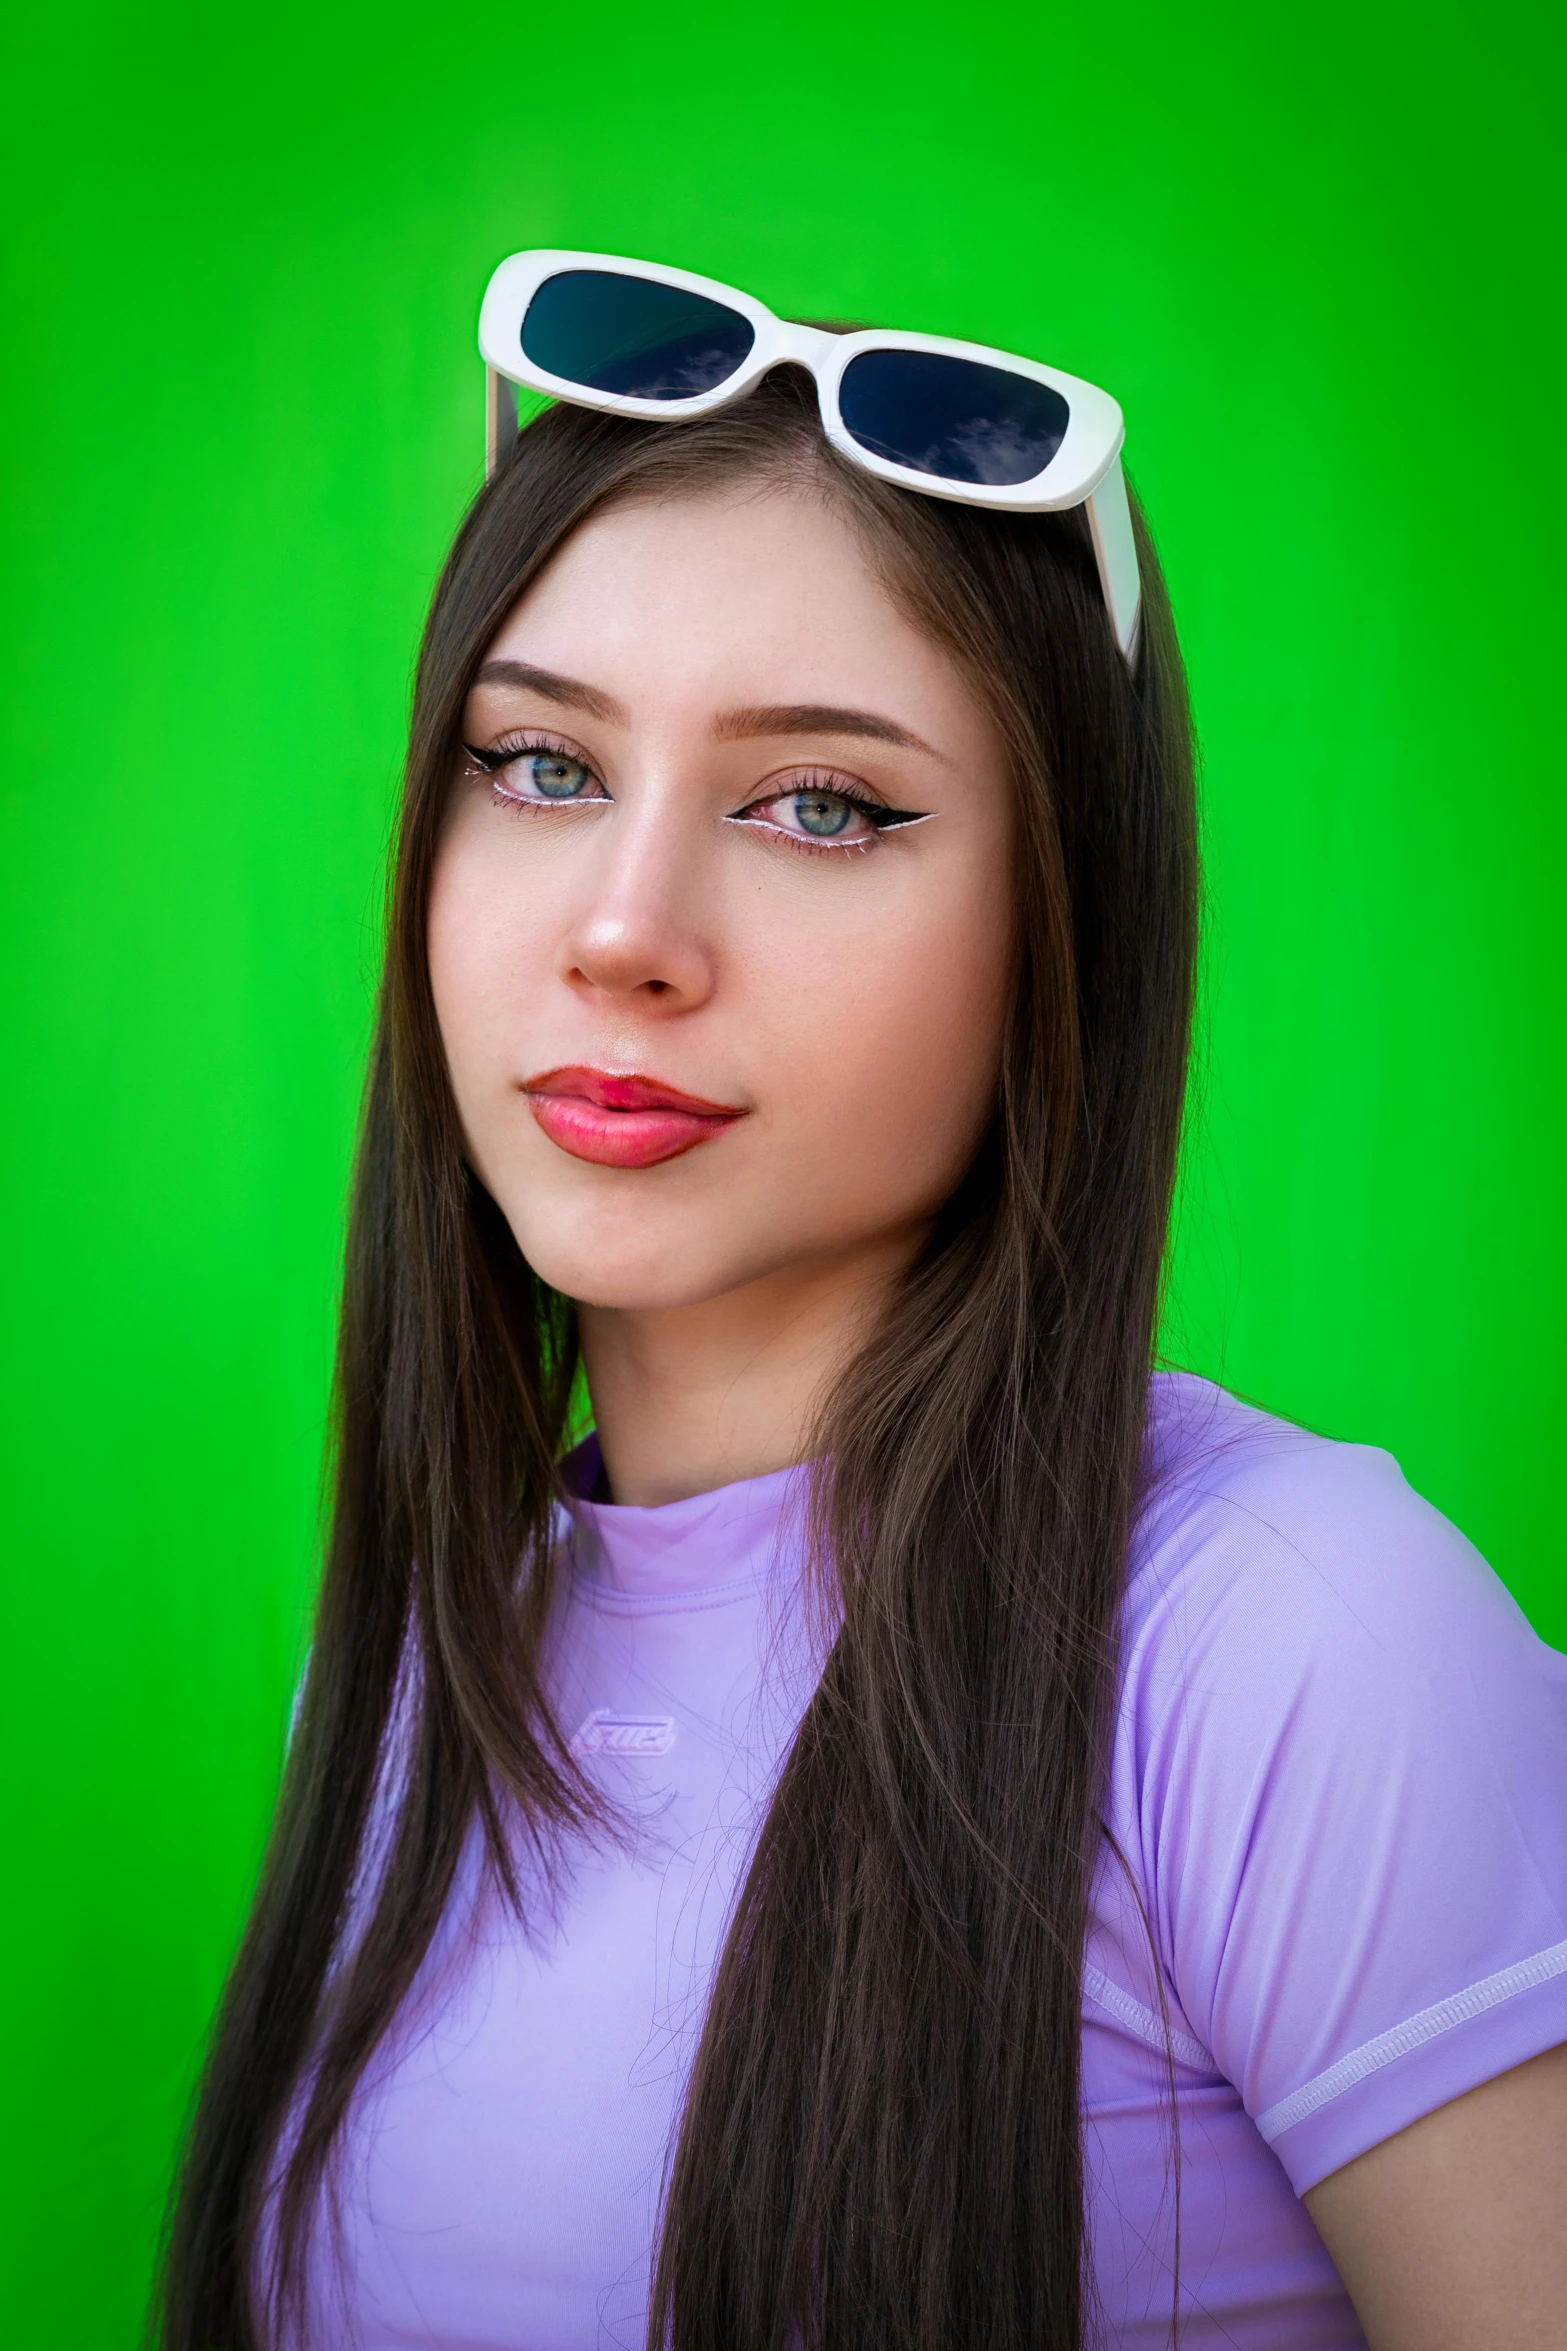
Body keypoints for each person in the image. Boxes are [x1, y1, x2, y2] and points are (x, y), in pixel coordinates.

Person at [160, 257, 1567, 2351]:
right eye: (539, 765)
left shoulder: (1295, 1652)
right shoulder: (397, 1676)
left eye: (822, 804)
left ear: (1056, 925)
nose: (626, 926)